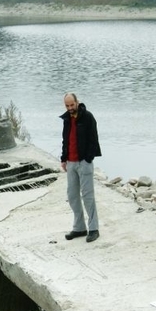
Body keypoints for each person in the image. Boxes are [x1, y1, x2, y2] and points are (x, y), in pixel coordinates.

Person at [60, 93, 102, 243]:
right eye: (67, 105)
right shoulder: (66, 119)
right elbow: (65, 139)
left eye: (72, 105)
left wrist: (87, 159)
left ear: (77, 102)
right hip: (70, 163)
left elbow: (94, 140)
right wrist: (63, 159)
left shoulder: (88, 117)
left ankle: (94, 229)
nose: (70, 108)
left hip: (84, 162)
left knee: (88, 196)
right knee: (72, 196)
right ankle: (79, 228)